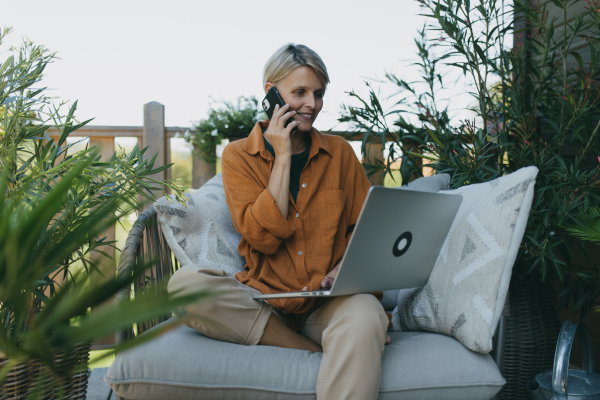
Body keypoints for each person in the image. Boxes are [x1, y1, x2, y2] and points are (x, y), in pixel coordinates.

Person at [168, 43, 390, 400]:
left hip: (326, 305)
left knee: (365, 311)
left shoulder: (340, 155)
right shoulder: (239, 155)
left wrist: (342, 267)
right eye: (299, 92)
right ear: (270, 92)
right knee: (186, 285)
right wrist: (282, 157)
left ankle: (332, 341)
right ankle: (308, 349)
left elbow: (365, 232)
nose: (312, 105)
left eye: (318, 93)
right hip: (265, 302)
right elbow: (261, 238)